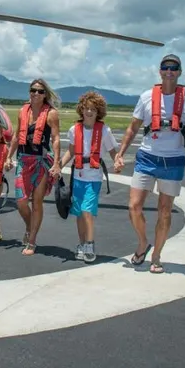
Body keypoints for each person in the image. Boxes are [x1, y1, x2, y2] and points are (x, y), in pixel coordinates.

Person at [114, 54, 185, 274]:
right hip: (147, 157)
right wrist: (120, 153)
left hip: (173, 160)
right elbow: (133, 127)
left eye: (174, 68)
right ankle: (143, 242)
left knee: (165, 211)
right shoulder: (147, 97)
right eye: (165, 67)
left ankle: (156, 256)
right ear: (159, 71)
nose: (169, 71)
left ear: (180, 72)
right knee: (133, 206)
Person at [57, 91, 119, 263]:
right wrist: (58, 166)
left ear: (98, 111)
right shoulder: (73, 130)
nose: (89, 112)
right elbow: (70, 151)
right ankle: (82, 244)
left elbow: (113, 151)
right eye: (86, 109)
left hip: (94, 177)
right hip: (78, 176)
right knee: (79, 213)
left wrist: (118, 161)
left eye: (93, 109)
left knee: (87, 211)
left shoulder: (105, 131)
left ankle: (90, 245)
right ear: (81, 110)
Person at [4, 78, 62, 256]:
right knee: (21, 202)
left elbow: (56, 139)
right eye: (33, 90)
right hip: (23, 160)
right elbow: (16, 136)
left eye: (40, 91)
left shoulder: (51, 114)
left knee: (37, 203)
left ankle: (32, 240)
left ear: (45, 94)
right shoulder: (23, 111)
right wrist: (8, 157)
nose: (36, 94)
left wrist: (58, 163)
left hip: (40, 162)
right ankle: (30, 226)